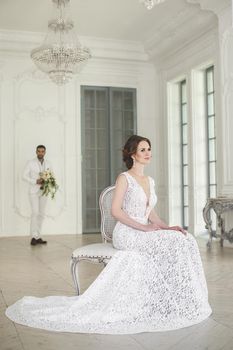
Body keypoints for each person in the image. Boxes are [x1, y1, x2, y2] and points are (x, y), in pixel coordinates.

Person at [5, 135, 212, 334]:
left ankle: (179, 299)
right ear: (132, 154)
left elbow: (151, 214)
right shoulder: (124, 178)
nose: (148, 153)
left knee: (185, 239)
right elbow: (116, 211)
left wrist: (167, 228)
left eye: (149, 149)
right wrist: (144, 228)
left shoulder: (150, 180)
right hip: (127, 232)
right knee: (172, 244)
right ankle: (171, 300)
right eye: (143, 150)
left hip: (143, 229)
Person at [23, 145, 52, 246]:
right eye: (39, 151)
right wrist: (35, 181)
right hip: (33, 192)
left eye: (42, 151)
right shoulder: (30, 163)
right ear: (36, 152)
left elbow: (51, 175)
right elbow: (24, 176)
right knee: (35, 213)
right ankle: (33, 237)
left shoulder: (48, 163)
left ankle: (38, 236)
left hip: (44, 191)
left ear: (45, 152)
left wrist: (47, 181)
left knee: (41, 214)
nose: (40, 153)